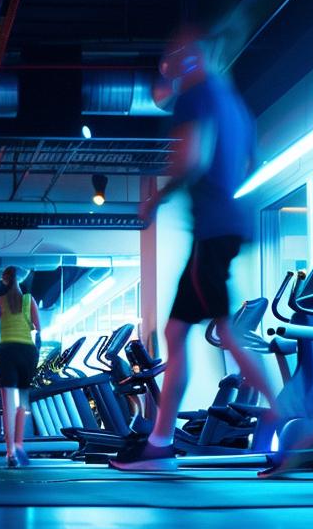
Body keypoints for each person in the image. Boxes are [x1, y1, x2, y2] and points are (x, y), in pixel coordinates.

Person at [111, 30, 279, 469]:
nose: (168, 64)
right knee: (176, 333)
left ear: (188, 58)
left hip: (211, 230)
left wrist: (157, 197)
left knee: (226, 331)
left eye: (173, 56)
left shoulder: (197, 94)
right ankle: (160, 444)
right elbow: (251, 162)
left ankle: (290, 418)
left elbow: (191, 159)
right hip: (220, 226)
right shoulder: (234, 102)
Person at [0, 266, 41, 468]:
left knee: (7, 405)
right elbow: (39, 329)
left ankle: (10, 452)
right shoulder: (29, 300)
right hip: (26, 352)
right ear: (19, 281)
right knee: (23, 401)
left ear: (4, 281)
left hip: (6, 352)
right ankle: (19, 445)